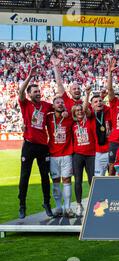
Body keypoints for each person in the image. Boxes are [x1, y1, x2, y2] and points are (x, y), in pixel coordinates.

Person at [18, 64, 54, 219]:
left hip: (43, 146)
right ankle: (22, 205)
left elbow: (58, 107)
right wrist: (30, 77)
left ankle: (46, 203)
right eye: (35, 92)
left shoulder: (46, 105)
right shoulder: (25, 104)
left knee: (45, 176)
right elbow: (20, 92)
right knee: (24, 176)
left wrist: (64, 110)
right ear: (29, 94)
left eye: (39, 91)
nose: (38, 93)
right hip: (29, 145)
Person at [46, 96, 74, 217]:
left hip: (67, 154)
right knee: (56, 181)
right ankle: (58, 207)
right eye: (57, 102)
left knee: (67, 180)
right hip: (53, 155)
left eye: (62, 102)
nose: (60, 104)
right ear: (53, 106)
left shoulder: (69, 118)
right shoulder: (48, 118)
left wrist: (68, 112)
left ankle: (67, 208)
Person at [71, 103, 96, 217]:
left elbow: (87, 109)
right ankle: (79, 204)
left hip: (91, 154)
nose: (80, 111)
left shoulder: (90, 120)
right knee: (78, 180)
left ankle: (94, 204)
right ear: (74, 113)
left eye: (81, 110)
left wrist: (86, 95)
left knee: (92, 180)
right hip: (78, 155)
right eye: (77, 110)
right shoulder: (72, 124)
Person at [88, 87, 112, 177]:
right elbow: (85, 110)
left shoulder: (108, 111)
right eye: (96, 102)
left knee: (113, 176)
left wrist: (102, 97)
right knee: (98, 177)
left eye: (100, 101)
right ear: (92, 106)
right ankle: (102, 192)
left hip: (111, 150)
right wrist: (87, 95)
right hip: (99, 152)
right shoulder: (91, 115)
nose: (99, 103)